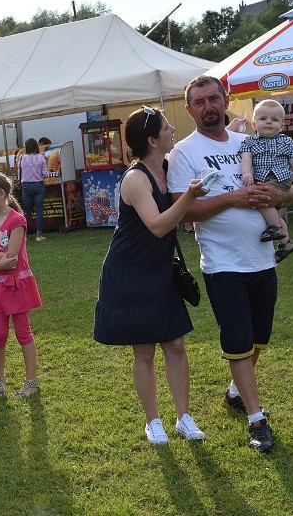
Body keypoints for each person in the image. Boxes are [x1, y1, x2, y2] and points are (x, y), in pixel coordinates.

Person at [167, 75, 293, 453]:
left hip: (262, 258)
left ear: (226, 101)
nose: (208, 107)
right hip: (223, 265)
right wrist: (234, 198)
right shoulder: (185, 154)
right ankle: (257, 420)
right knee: (238, 342)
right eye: (199, 102)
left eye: (213, 99)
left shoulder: (250, 141)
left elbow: (286, 190)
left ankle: (237, 392)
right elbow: (184, 211)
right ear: (190, 110)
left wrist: (279, 194)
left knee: (259, 339)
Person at [94, 106, 208, 445]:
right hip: (129, 272)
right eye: (167, 127)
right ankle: (152, 420)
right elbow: (158, 226)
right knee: (144, 349)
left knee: (175, 344)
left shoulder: (169, 167)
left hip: (160, 270)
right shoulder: (135, 178)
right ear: (152, 140)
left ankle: (184, 417)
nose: (173, 129)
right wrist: (189, 197)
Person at [0, 171, 42, 397]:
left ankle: (31, 382)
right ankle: (0, 383)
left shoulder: (17, 220)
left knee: (23, 331)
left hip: (16, 285)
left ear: (2, 194)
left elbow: (11, 257)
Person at [239, 99, 293, 260]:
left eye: (274, 120)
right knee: (273, 211)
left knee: (262, 199)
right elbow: (246, 157)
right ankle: (286, 242)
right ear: (254, 124)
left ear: (281, 125)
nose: (268, 122)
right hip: (262, 178)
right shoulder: (249, 141)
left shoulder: (287, 142)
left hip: (281, 178)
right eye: (263, 119)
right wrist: (246, 173)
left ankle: (275, 228)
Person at [18, 138, 49, 242]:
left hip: (26, 186)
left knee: (26, 212)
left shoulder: (22, 157)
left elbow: (19, 172)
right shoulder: (41, 157)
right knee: (39, 211)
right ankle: (39, 235)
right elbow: (45, 173)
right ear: (36, 146)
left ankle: (24, 236)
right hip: (38, 185)